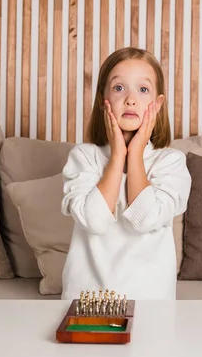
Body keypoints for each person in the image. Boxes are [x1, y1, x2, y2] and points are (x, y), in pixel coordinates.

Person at [60, 47, 192, 301]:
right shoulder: (84, 157)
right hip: (88, 303)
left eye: (143, 90)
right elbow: (95, 221)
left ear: (158, 104)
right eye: (119, 88)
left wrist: (136, 153)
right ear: (103, 100)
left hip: (151, 304)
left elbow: (145, 219)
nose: (131, 99)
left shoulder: (171, 163)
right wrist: (118, 154)